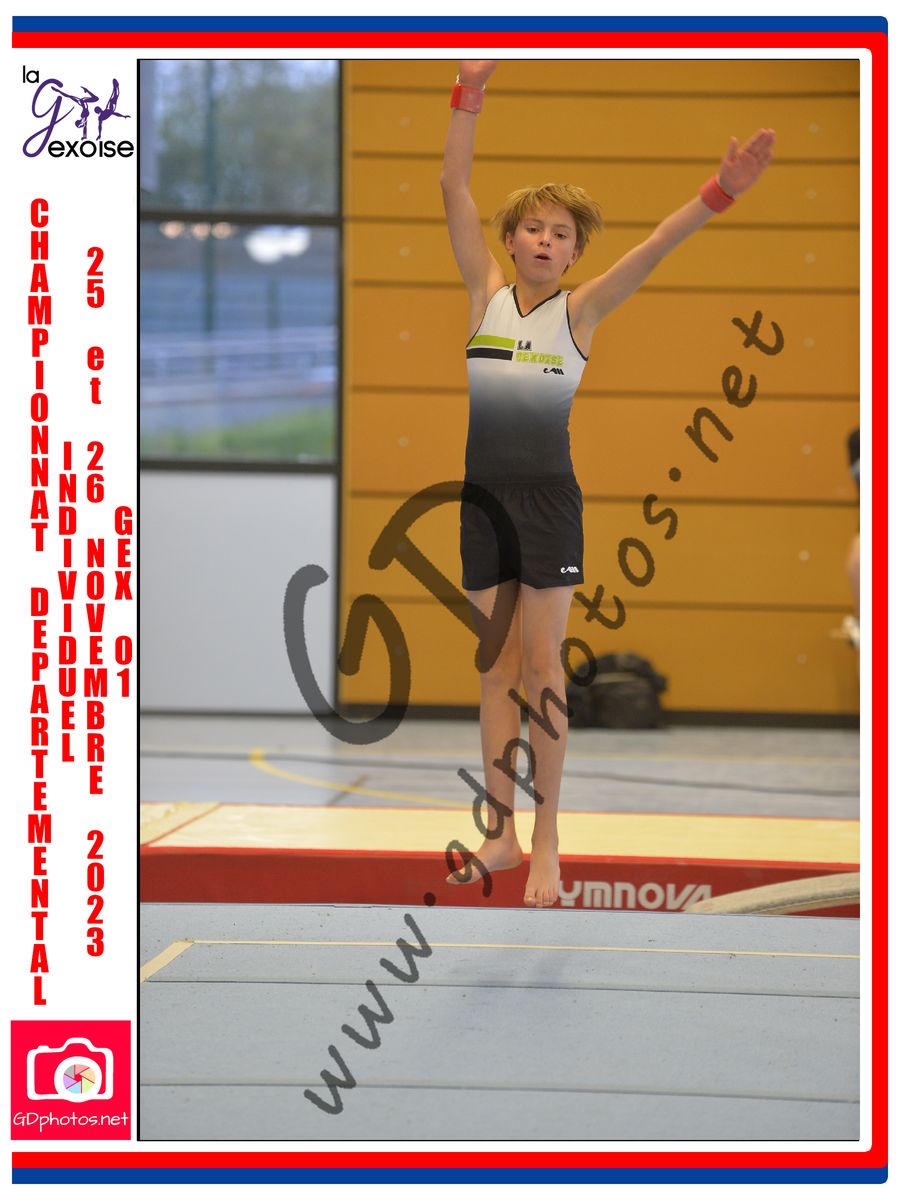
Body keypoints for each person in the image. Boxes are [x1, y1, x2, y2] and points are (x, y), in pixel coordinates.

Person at [440, 60, 775, 907]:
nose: (545, 241)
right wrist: (469, 93)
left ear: (574, 252)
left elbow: (656, 245)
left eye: (561, 234)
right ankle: (500, 831)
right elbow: (453, 187)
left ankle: (549, 837)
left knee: (543, 666)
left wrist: (720, 193)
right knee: (494, 668)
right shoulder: (484, 296)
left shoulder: (580, 312)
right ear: (510, 239)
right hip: (483, 503)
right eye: (533, 228)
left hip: (549, 504)